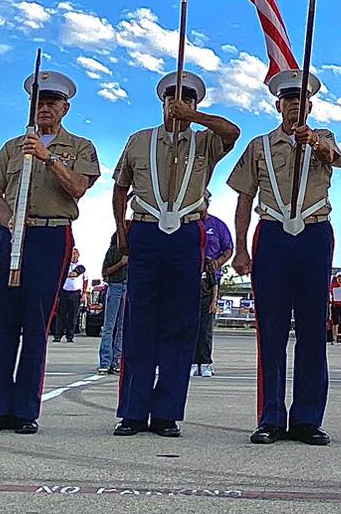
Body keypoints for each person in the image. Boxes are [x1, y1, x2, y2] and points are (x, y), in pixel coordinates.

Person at [112, 71, 239, 439]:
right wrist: (122, 231)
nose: (177, 103)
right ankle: (133, 412)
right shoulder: (140, 140)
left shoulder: (204, 142)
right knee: (140, 321)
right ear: (162, 101)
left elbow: (232, 132)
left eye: (187, 98)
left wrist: (193, 117)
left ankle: (167, 412)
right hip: (147, 229)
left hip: (185, 231)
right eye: (172, 98)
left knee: (180, 323)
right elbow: (121, 188)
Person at [0, 69, 101, 435]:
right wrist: (11, 222)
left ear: (65, 108)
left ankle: (25, 409)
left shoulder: (80, 147)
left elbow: (78, 188)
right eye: (38, 102)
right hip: (11, 235)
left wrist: (49, 158)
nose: (44, 108)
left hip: (51, 235)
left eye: (51, 102)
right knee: (3, 323)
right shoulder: (12, 147)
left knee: (35, 324)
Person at [228, 68, 341, 444]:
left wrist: (313, 143)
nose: (296, 106)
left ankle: (308, 418)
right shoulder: (260, 146)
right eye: (289, 100)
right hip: (273, 233)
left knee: (313, 328)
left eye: (302, 100)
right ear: (278, 105)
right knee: (271, 329)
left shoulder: (323, 137)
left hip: (314, 233)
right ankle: (271, 417)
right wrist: (241, 247)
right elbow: (244, 198)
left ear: (310, 105)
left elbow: (335, 159)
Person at [194, 192, 234, 378]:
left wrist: (217, 263)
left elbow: (228, 249)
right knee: (187, 324)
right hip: (187, 277)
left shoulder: (217, 225)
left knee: (205, 326)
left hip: (209, 280)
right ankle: (191, 361)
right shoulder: (189, 223)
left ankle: (205, 362)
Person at [97, 232, 127, 374]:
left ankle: (116, 361)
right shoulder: (113, 250)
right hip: (115, 286)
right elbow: (105, 272)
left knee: (122, 327)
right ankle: (105, 361)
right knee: (109, 326)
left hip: (127, 287)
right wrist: (121, 263)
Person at [54, 250, 85, 343]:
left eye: (75, 254)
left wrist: (83, 293)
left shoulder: (81, 267)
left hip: (75, 293)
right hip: (64, 292)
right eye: (72, 254)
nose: (74, 256)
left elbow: (85, 279)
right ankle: (58, 335)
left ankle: (70, 335)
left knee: (73, 315)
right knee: (61, 315)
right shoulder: (65, 265)